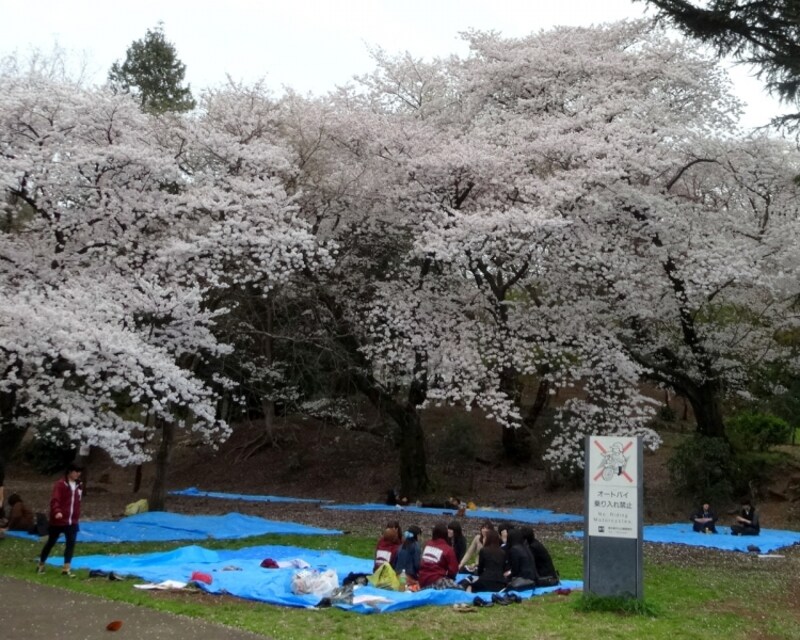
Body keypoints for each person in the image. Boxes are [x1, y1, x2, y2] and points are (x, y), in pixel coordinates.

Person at [37, 463, 83, 577]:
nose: (78, 474)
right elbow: (55, 500)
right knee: (51, 542)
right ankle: (41, 563)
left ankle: (66, 568)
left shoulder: (79, 485)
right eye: (76, 471)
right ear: (69, 471)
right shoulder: (60, 484)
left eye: (79, 472)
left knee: (71, 543)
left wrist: (76, 515)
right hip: (59, 521)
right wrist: (57, 511)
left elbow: (78, 501)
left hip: (72, 521)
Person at [418, 522, 461, 590]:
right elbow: (453, 569)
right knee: (460, 589)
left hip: (422, 580)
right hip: (436, 580)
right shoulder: (448, 549)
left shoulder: (427, 544)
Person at [465, 529, 507, 593]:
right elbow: (503, 568)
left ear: (488, 539)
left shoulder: (484, 550)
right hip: (500, 582)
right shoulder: (503, 552)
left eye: (485, 538)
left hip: (485, 580)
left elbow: (480, 569)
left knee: (469, 586)